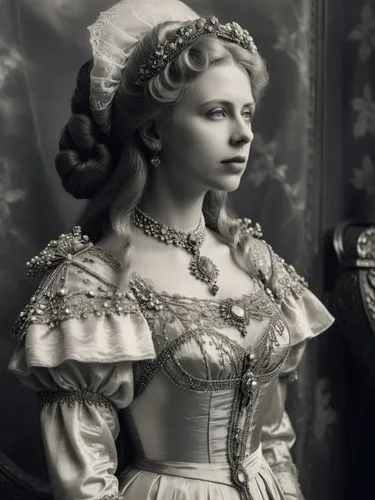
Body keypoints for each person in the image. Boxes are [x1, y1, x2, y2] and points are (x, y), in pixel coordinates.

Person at [8, 0, 334, 499]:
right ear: (154, 129)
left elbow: (273, 440)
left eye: (246, 112)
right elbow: (85, 484)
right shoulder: (95, 282)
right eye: (216, 112)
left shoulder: (257, 262)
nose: (243, 132)